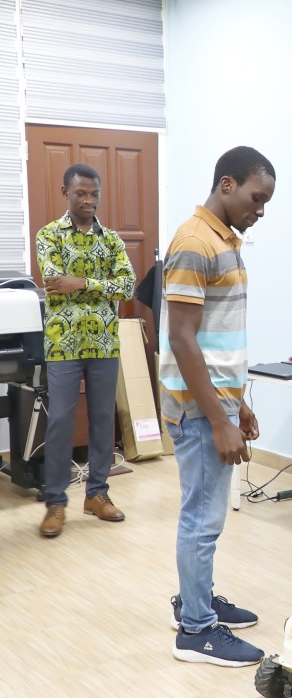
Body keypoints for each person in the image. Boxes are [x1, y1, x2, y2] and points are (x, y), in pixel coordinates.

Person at [160, 146, 276, 666]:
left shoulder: (225, 239)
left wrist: (239, 404)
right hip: (197, 409)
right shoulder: (193, 242)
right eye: (257, 197)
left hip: (218, 403)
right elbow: (182, 339)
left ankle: (196, 599)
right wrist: (216, 418)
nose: (261, 210)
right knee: (202, 519)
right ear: (226, 185)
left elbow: (217, 337)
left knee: (204, 515)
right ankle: (196, 629)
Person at [35, 163, 136, 538]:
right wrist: (96, 284)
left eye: (94, 194)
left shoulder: (111, 240)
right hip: (63, 342)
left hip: (105, 343)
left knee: (102, 420)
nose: (89, 200)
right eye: (81, 193)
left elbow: (127, 285)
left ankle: (97, 494)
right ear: (66, 193)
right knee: (61, 420)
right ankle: (56, 503)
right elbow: (53, 281)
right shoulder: (48, 236)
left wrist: (78, 282)